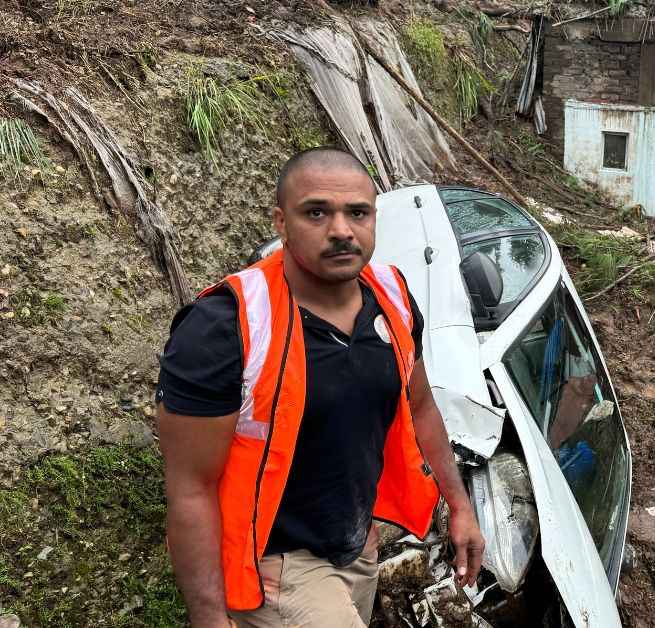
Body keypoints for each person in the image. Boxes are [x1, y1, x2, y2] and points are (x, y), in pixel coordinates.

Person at [155, 147, 484, 628]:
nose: (341, 231)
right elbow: (189, 489)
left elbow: (420, 406)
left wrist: (459, 505)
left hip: (356, 545)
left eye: (358, 212)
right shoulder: (225, 329)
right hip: (275, 564)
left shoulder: (391, 296)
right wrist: (208, 617)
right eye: (316, 212)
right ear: (280, 223)